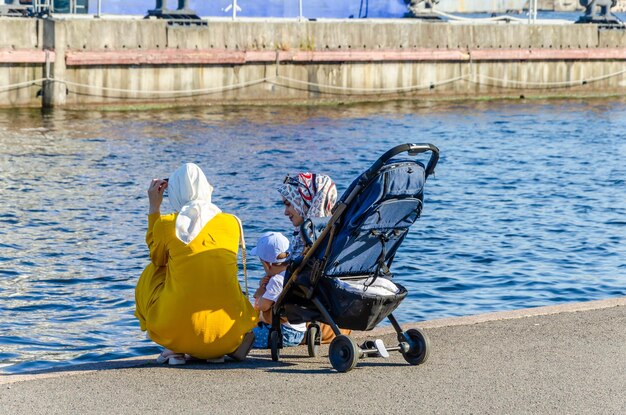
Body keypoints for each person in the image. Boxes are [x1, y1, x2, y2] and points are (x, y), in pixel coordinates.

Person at [134, 163, 257, 365]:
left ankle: (175, 349)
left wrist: (154, 208)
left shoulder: (167, 224)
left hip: (176, 330)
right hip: (228, 334)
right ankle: (212, 351)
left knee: (153, 271)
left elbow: (157, 259)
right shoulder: (231, 222)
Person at [277, 172, 351, 344]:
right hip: (340, 325)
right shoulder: (337, 234)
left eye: (289, 204)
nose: (285, 212)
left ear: (305, 202)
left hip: (309, 321)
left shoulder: (310, 240)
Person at [250, 232, 306, 349]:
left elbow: (263, 306)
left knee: (245, 336)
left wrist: (260, 293)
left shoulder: (276, 280)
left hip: (284, 333)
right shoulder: (293, 274)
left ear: (267, 264)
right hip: (299, 330)